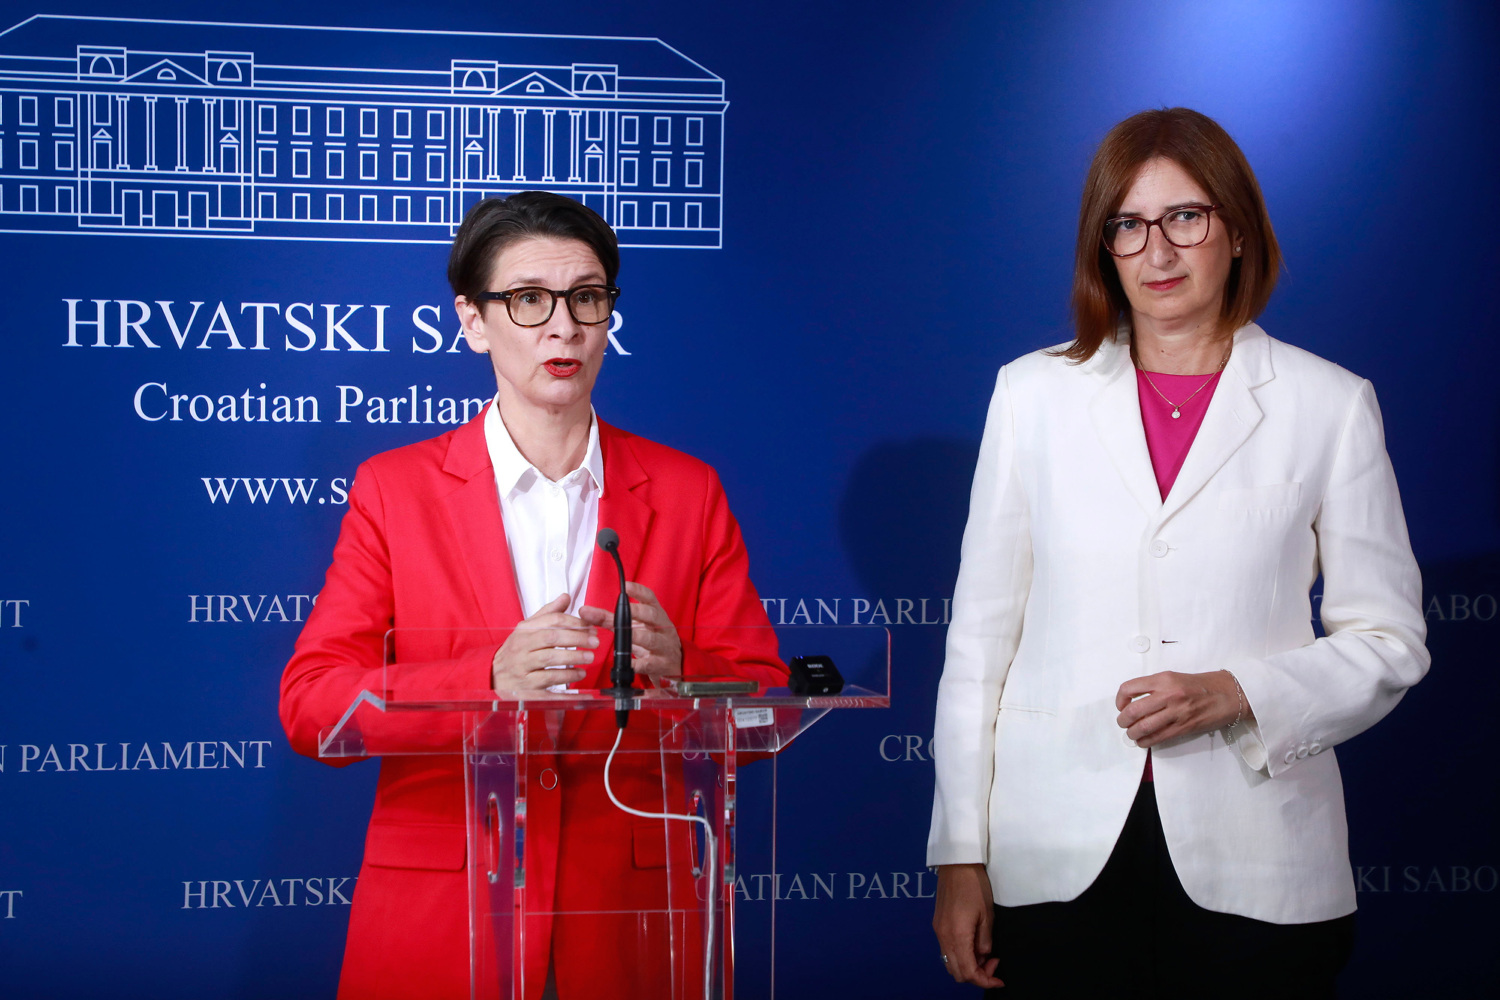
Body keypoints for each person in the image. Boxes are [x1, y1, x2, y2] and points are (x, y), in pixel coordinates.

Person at [927, 108, 1428, 996]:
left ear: (1237, 230)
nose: (1156, 251)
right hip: (1054, 855)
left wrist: (1240, 691)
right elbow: (978, 646)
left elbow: (1390, 640)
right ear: (1103, 247)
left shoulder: (1330, 404)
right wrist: (961, 853)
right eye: (1127, 225)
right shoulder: (1032, 395)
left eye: (1185, 217)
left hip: (1261, 862)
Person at [279, 192, 785, 1000]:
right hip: (445, 916)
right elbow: (312, 705)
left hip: (631, 922)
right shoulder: (394, 490)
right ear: (473, 321)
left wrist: (684, 670)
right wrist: (485, 681)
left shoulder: (688, 491)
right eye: (528, 300)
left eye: (587, 298)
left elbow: (767, 702)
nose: (564, 327)